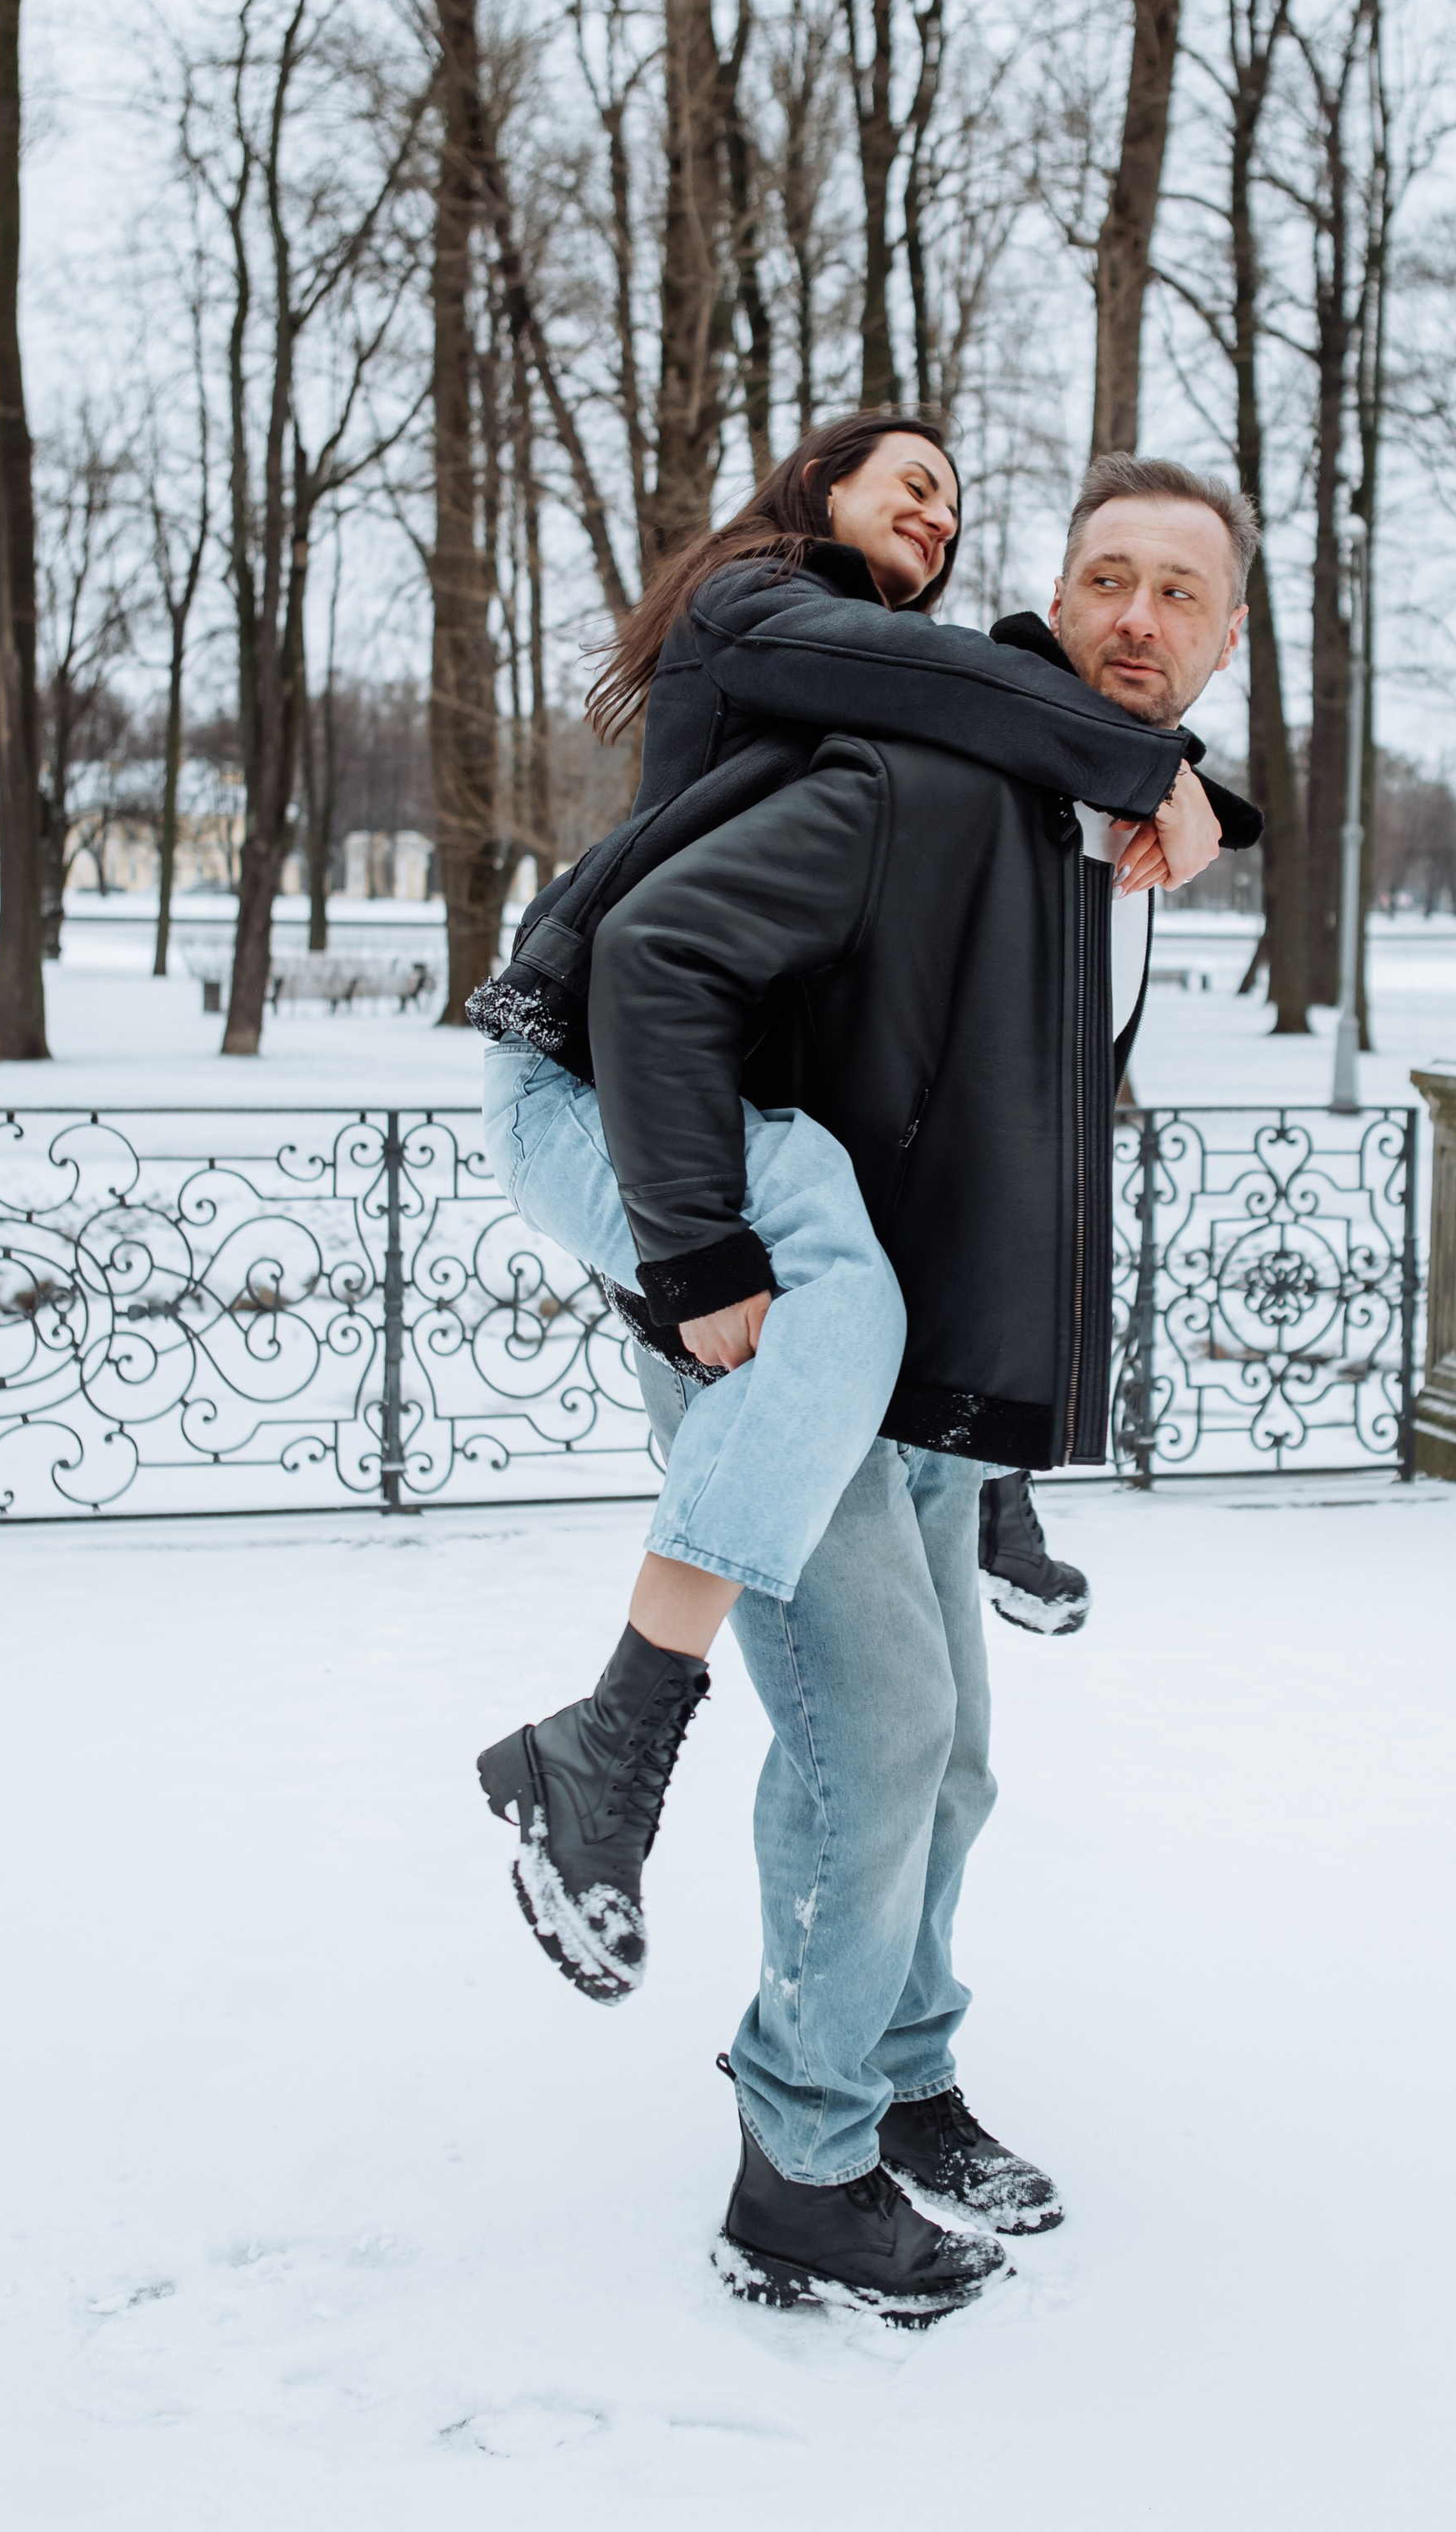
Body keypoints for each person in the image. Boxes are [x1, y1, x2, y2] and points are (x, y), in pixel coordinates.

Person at [535, 454, 1260, 2325]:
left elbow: (1015, 1127)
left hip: (927, 1366)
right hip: (783, 1335)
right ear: (1049, 596)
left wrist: (1005, 1440)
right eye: (1103, 577)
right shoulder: (931, 767)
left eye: (1177, 594)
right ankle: (802, 2156)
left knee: (946, 1760)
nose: (1133, 619)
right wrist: (700, 1260)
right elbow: (659, 956)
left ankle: (901, 2071)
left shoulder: (1107, 829)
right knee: (875, 1738)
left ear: (1226, 636)